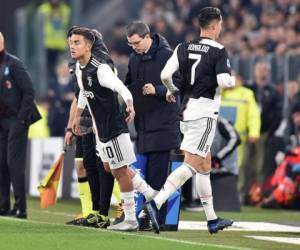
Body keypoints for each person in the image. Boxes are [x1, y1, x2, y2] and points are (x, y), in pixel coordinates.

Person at [143, 7, 234, 234]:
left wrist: (173, 90)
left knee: (204, 165)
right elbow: (223, 80)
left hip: (186, 109)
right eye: (220, 24)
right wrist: (233, 81)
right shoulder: (219, 50)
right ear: (215, 25)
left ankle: (212, 220)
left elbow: (165, 75)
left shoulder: (183, 47)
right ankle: (155, 203)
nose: (221, 28)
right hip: (204, 113)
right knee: (192, 164)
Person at [68, 27, 156, 232]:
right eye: (71, 42)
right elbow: (83, 91)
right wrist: (78, 115)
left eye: (77, 42)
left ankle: (131, 219)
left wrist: (129, 103)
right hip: (101, 130)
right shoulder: (80, 68)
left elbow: (121, 87)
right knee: (110, 167)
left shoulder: (100, 68)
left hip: (113, 126)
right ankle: (153, 196)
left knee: (118, 170)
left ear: (89, 46)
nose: (72, 46)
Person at [125, 21, 181, 227]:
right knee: (145, 177)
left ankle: (158, 217)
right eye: (130, 44)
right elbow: (129, 83)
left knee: (158, 175)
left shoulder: (167, 55)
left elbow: (180, 83)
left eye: (136, 43)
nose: (134, 47)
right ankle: (146, 216)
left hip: (164, 124)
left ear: (147, 36)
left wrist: (157, 89)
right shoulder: (134, 57)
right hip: (143, 125)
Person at [0, 32, 41, 218]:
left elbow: (29, 92)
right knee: (1, 163)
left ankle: (20, 207)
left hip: (16, 119)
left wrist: (22, 119)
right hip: (1, 121)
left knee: (14, 163)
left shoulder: (13, 63)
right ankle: (3, 206)